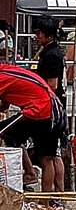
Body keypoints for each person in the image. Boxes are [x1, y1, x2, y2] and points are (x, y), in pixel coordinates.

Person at [0, 63, 62, 191]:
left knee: (4, 133)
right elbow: (4, 105)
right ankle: (45, 199)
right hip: (52, 111)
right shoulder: (8, 71)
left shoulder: (2, 78)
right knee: (47, 158)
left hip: (38, 110)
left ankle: (29, 174)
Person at [31, 16, 66, 193]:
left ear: (47, 35)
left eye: (38, 33)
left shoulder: (52, 55)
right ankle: (59, 193)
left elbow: (52, 85)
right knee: (54, 154)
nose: (35, 37)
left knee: (47, 157)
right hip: (54, 109)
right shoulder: (50, 52)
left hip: (50, 111)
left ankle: (46, 197)